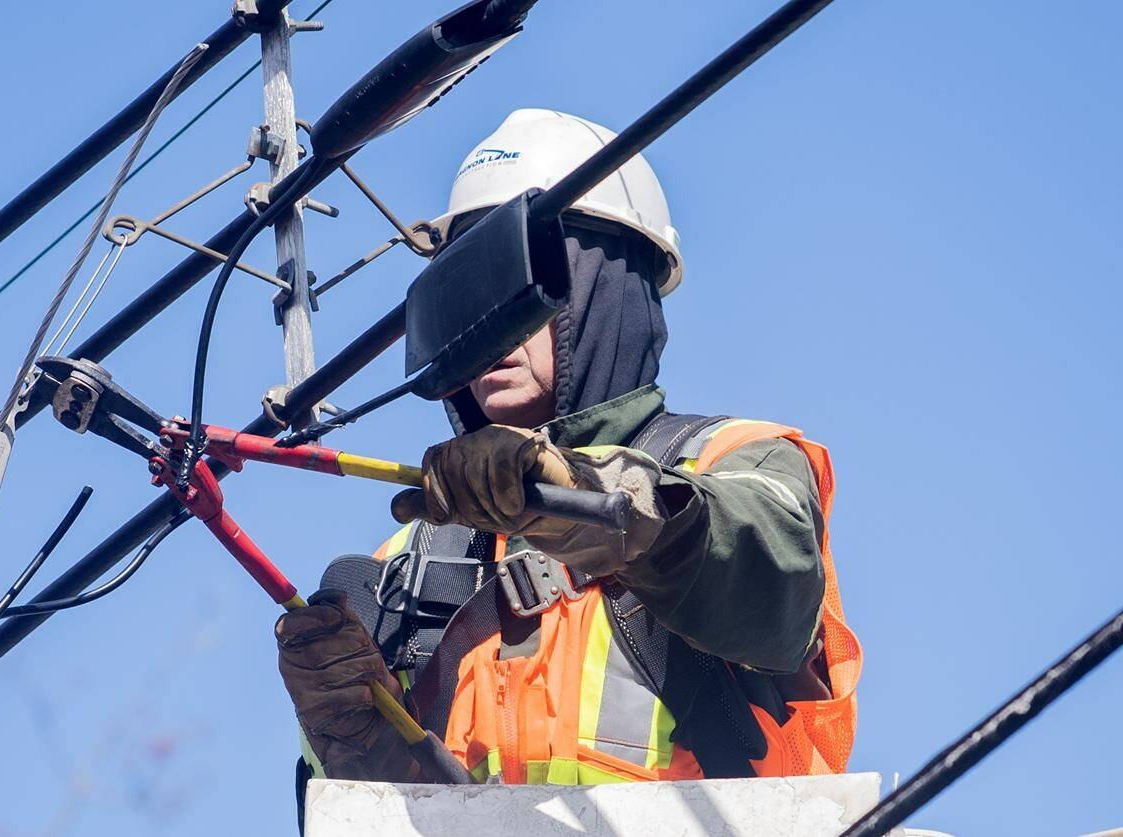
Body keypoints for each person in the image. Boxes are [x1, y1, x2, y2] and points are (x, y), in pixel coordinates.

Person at [276, 110, 860, 797]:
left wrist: (588, 499)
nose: (488, 328)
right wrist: (349, 745)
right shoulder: (406, 564)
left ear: (601, 288)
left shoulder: (734, 461)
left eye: (517, 287)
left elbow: (766, 582)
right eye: (469, 298)